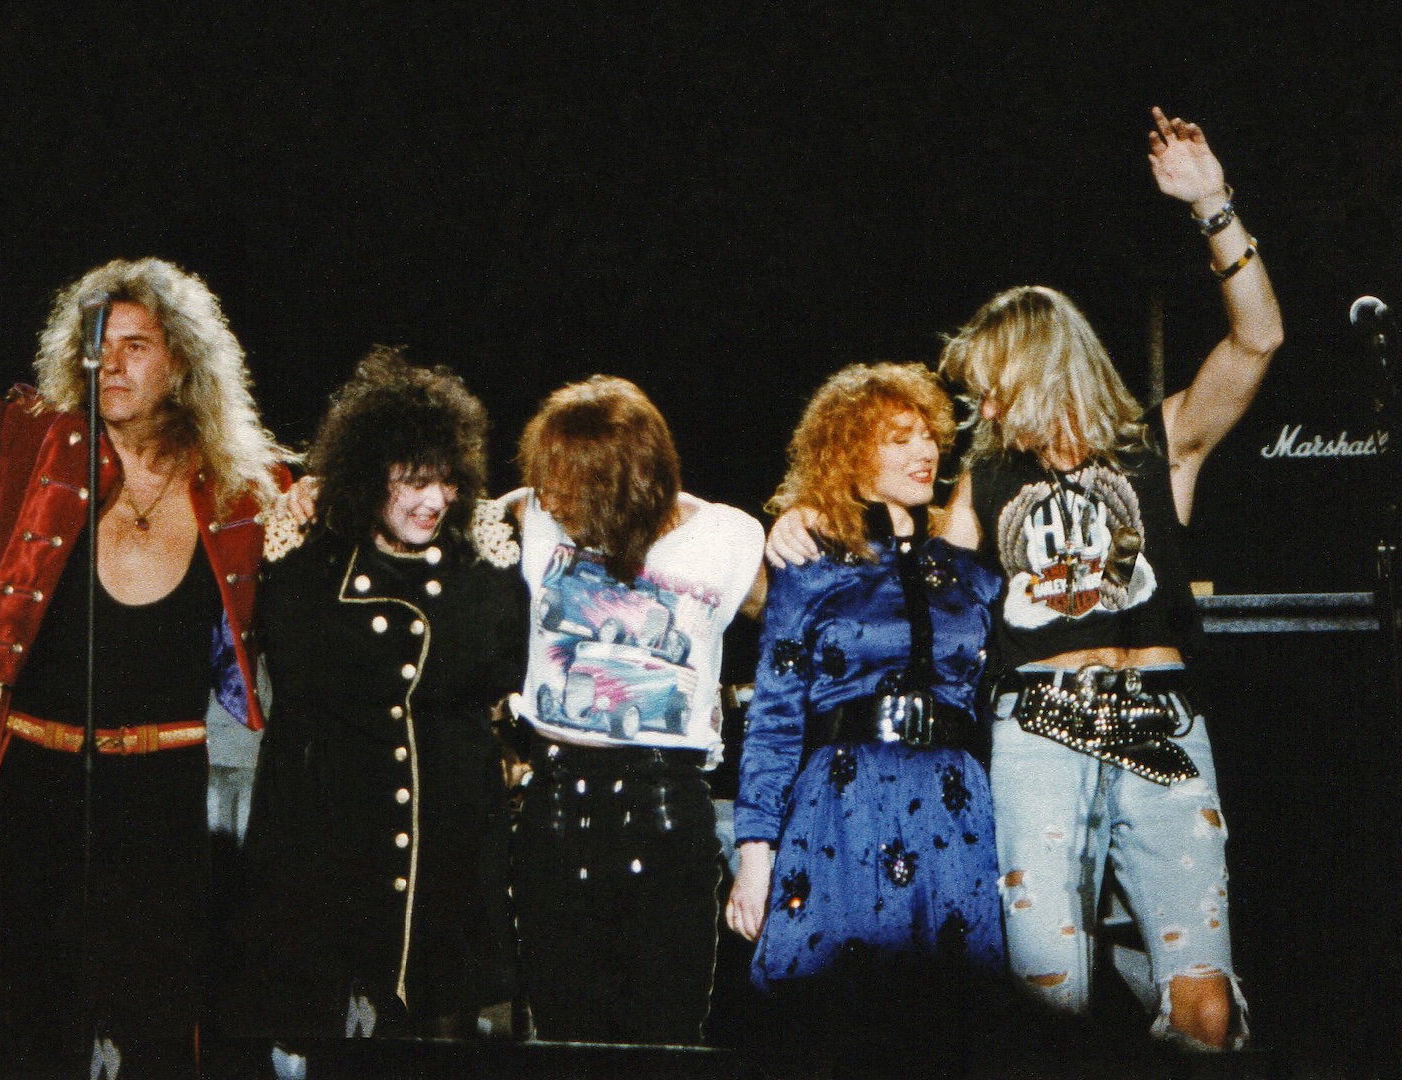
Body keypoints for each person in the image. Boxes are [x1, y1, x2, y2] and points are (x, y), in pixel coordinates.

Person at [767, 108, 1282, 1050]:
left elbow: (1256, 341)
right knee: (1048, 992)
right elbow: (904, 584)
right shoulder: (982, 481)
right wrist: (813, 511)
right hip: (1037, 727)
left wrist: (1212, 205)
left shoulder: (1158, 445)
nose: (982, 404)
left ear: (1037, 362)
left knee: (1205, 1007)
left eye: (990, 382)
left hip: (1159, 718)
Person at [0, 137, 290, 1076]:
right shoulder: (31, 448)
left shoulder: (247, 489)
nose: (109, 366)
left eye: (135, 348)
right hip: (38, 779)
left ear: (182, 362)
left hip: (165, 789)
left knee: (165, 1030)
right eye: (97, 349)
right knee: (33, 1026)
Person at [241, 348, 528, 1062]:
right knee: (320, 1029)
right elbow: (292, 669)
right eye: (414, 480)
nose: (435, 500)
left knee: (443, 1024)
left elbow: (499, 666)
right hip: (328, 825)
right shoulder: (305, 555)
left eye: (448, 481)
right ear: (369, 474)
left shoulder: (484, 561)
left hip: (446, 833)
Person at [727, 363, 1002, 1062]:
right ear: (850, 452)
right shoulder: (810, 562)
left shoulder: (966, 566)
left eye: (927, 436)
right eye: (898, 439)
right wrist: (754, 852)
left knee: (950, 1025)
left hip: (953, 807)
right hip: (842, 807)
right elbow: (775, 714)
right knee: (830, 1026)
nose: (924, 451)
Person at [502, 375, 765, 1045]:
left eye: (571, 485)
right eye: (547, 481)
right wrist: (325, 492)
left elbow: (802, 610)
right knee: (563, 1036)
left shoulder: (727, 537)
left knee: (665, 1038)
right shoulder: (530, 514)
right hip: (554, 802)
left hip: (666, 806)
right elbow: (421, 511)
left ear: (630, 477)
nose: (553, 498)